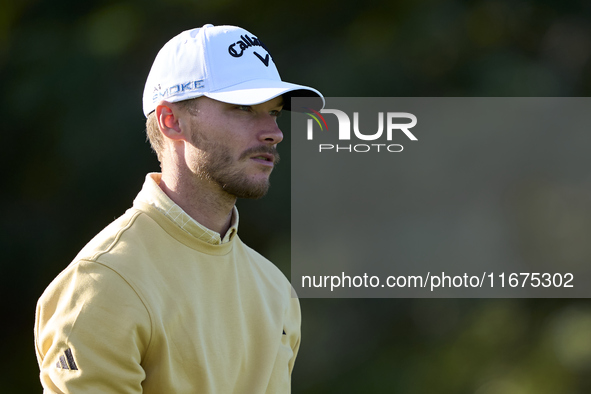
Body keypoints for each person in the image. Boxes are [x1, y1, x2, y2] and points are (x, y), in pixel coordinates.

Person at [34, 24, 324, 393]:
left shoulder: (275, 290)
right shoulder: (104, 282)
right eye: (243, 108)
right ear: (172, 121)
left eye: (275, 113)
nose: (274, 132)